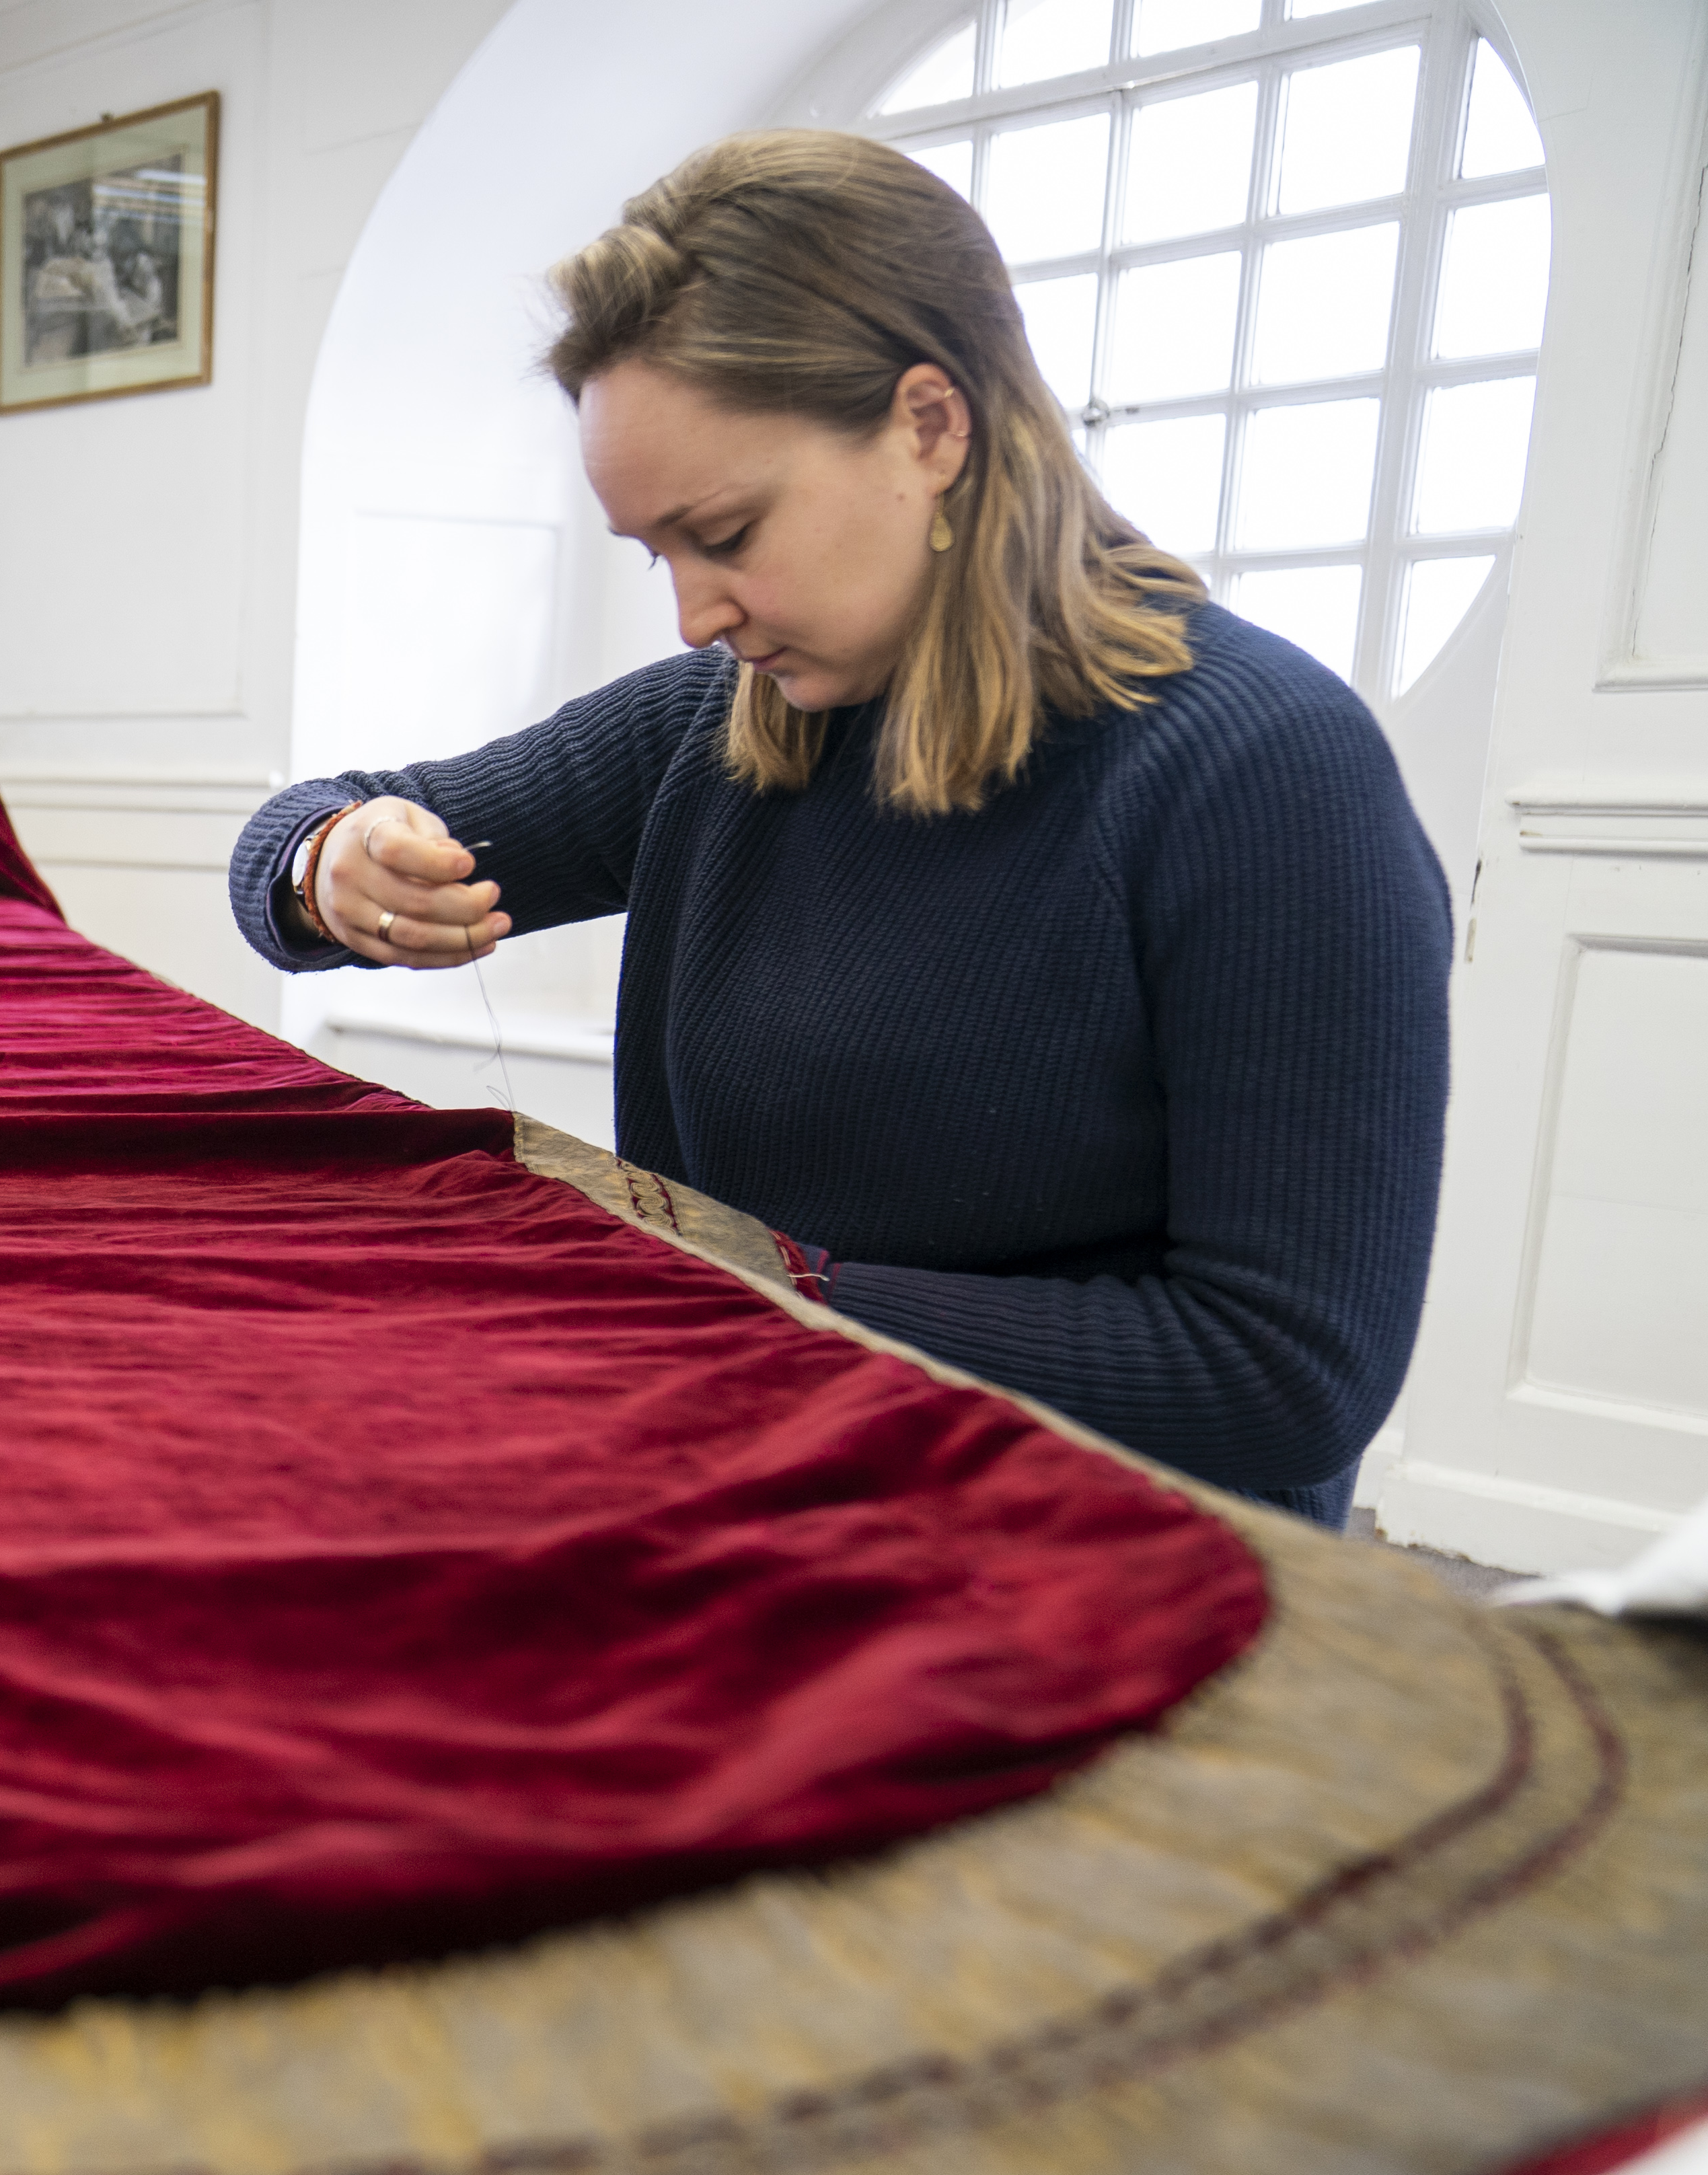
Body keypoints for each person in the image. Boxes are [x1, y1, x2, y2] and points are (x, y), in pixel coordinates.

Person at [231, 131, 1448, 1529]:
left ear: (933, 425)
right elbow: (291, 839)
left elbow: (1280, 1376)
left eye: (730, 532)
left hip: (1118, 1549)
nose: (695, 612)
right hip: (778, 1458)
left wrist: (745, 1291)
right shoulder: (719, 720)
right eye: (656, 556)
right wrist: (334, 867)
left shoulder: (1263, 769)